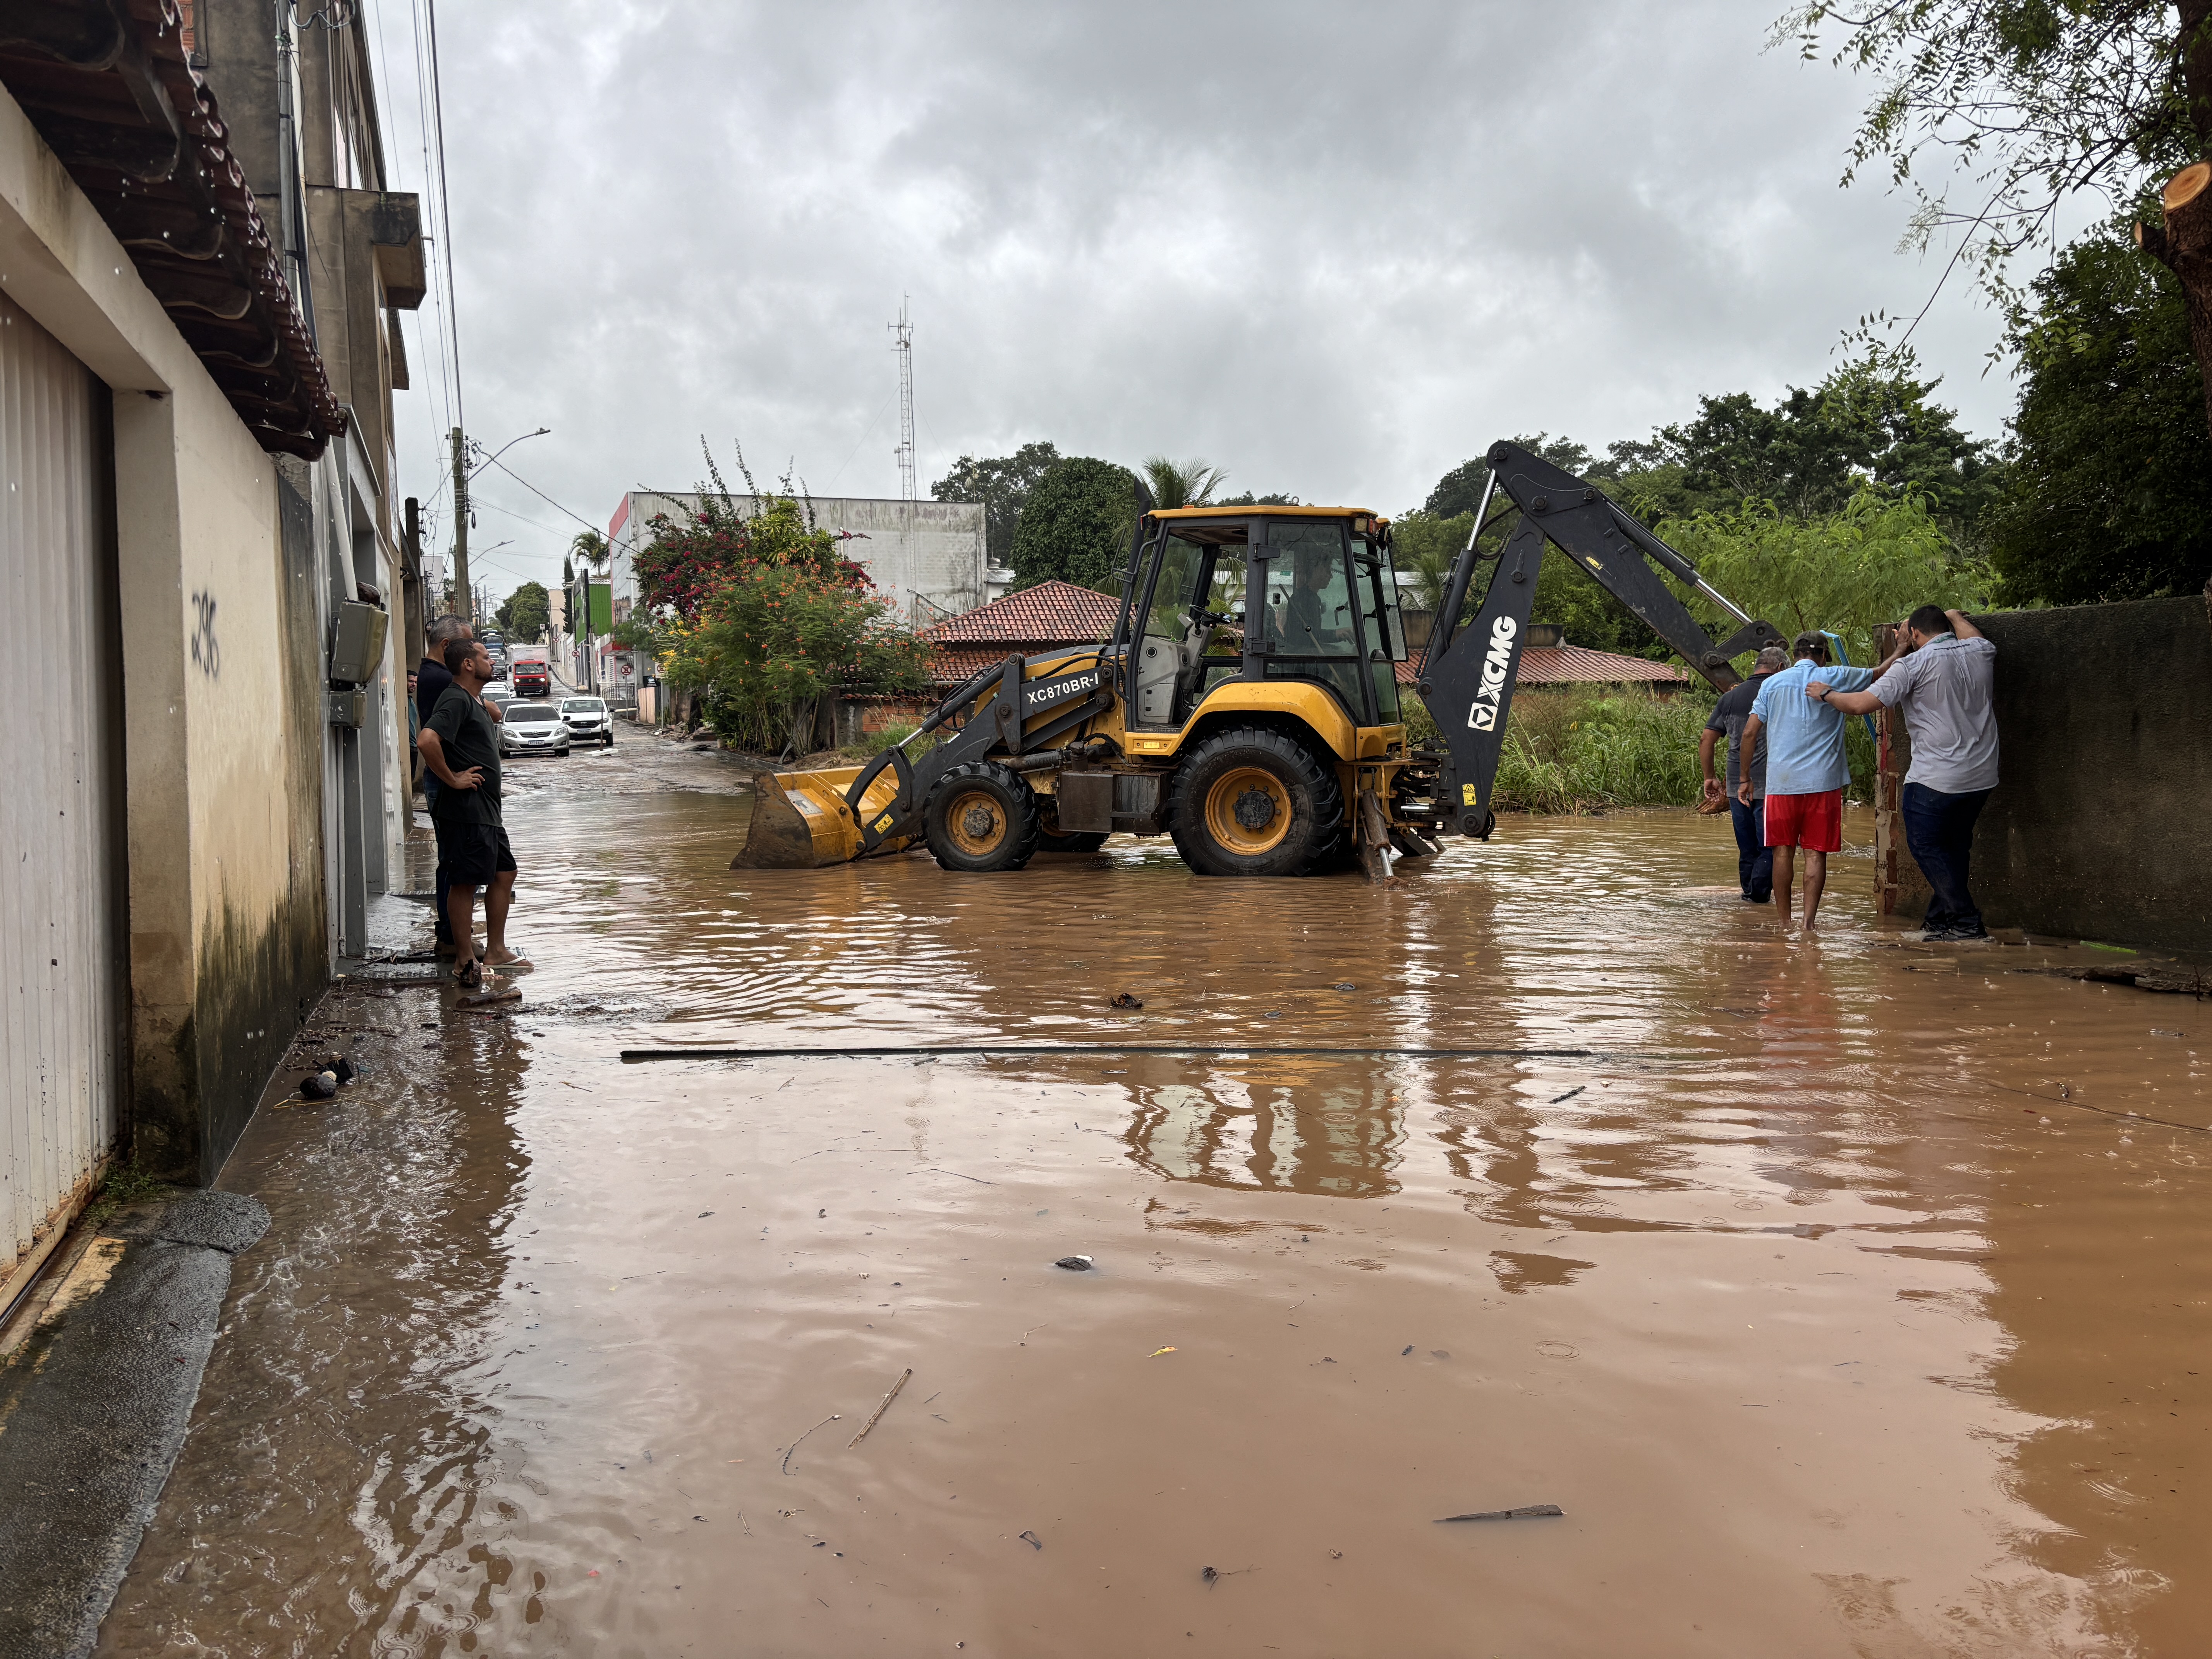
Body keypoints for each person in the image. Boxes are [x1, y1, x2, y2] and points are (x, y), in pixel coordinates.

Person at [1810, 605, 1997, 941]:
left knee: (1926, 847)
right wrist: (1954, 615)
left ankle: (1967, 924)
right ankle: (1940, 923)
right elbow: (1973, 635)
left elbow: (1858, 706)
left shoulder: (1912, 665)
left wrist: (1825, 693)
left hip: (1936, 779)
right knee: (1954, 848)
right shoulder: (1979, 651)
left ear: (1914, 636)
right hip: (1982, 775)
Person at [1738, 632, 1877, 933]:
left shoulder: (1772, 684)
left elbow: (1749, 733)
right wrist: (1904, 647)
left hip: (1781, 784)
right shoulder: (1835, 676)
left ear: (1796, 654)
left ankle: (1784, 923)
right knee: (1815, 853)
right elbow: (1882, 673)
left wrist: (1745, 778)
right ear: (1824, 655)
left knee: (1782, 851)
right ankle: (1808, 924)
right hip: (1823, 783)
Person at [416, 638, 528, 987]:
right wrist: (452, 779)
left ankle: (496, 950)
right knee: (464, 881)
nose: (491, 662)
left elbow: (488, 716)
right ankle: (465, 958)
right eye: (484, 657)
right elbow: (426, 740)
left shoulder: (472, 699)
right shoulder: (454, 697)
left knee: (504, 873)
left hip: (486, 811)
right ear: (468, 664)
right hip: (466, 811)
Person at [416, 617, 501, 957]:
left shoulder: (431, 676)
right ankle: (454, 942)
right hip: (455, 791)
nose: (480, 653)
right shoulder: (444, 681)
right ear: (452, 650)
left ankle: (459, 940)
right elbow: (429, 739)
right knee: (458, 868)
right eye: (470, 645)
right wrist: (453, 778)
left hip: (473, 798)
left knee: (472, 867)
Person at [1702, 645, 1787, 902]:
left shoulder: (1730, 698)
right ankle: (1759, 898)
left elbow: (1707, 739)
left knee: (1748, 848)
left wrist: (1710, 777)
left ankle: (1750, 900)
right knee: (1771, 847)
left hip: (1736, 785)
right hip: (1772, 784)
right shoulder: (1781, 693)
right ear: (1781, 669)